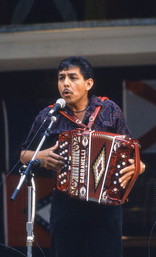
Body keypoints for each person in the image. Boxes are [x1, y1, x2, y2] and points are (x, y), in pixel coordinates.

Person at [20, 56, 145, 257]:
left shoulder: (108, 110)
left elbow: (132, 151)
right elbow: (24, 155)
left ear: (88, 83)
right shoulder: (49, 115)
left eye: (72, 78)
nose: (65, 83)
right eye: (61, 78)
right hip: (66, 201)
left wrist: (138, 166)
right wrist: (42, 156)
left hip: (105, 202)